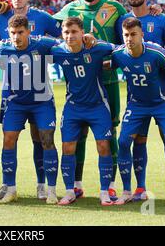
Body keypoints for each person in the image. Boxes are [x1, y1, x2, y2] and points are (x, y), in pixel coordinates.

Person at [53, 0, 128, 201]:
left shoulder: (116, 8)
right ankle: (76, 184)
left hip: (108, 80)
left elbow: (130, 31)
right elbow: (45, 24)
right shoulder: (71, 9)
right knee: (79, 135)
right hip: (79, 81)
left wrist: (154, 11)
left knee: (109, 132)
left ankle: (111, 185)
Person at [0, 0, 62, 201]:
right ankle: (10, 187)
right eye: (12, 32)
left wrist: (87, 40)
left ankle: (47, 188)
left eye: (20, 32)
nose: (16, 36)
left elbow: (65, 38)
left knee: (44, 139)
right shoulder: (1, 38)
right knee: (8, 139)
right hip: (14, 99)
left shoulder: (42, 40)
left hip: (41, 98)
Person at [116, 0, 165, 202]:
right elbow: (117, 51)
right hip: (137, 95)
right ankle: (139, 187)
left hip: (163, 93)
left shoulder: (161, 19)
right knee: (138, 140)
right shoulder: (123, 21)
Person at [51, 17, 114, 206]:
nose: (70, 36)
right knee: (67, 148)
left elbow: (116, 48)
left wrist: (95, 39)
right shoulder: (57, 51)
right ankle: (70, 191)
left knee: (103, 146)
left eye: (74, 32)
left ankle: (104, 192)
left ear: (82, 33)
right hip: (73, 108)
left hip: (97, 106)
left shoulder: (96, 48)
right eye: (66, 32)